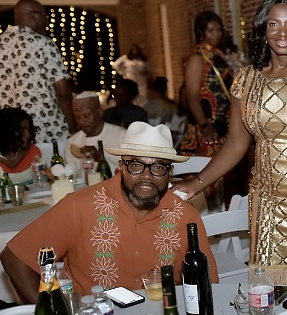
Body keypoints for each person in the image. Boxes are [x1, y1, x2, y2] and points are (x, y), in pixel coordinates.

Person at [172, 0, 287, 286]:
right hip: (267, 203)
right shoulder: (246, 81)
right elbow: (236, 144)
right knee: (270, 291)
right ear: (263, 29)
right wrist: (196, 183)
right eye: (273, 24)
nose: (282, 32)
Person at [0, 122, 219, 301]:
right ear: (121, 167)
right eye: (136, 165)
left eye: (158, 167)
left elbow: (208, 285)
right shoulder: (80, 206)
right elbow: (15, 258)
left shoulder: (185, 216)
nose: (147, 176)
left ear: (170, 172)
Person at [0, 0, 76, 142]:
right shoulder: (44, 44)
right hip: (46, 133)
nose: (47, 22)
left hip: (6, 135)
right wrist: (72, 126)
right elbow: (63, 92)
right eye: (45, 16)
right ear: (32, 15)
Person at [178, 11, 234, 157]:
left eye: (218, 30)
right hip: (208, 124)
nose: (216, 34)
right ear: (201, 33)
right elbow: (191, 96)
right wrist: (204, 125)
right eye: (211, 30)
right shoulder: (197, 58)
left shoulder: (218, 54)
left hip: (224, 123)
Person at [64, 91, 126, 175]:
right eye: (77, 117)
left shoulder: (121, 135)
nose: (82, 121)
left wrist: (99, 158)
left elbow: (128, 172)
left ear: (100, 112)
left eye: (86, 116)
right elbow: (71, 175)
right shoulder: (73, 142)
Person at [0, 107, 42, 184]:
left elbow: (43, 182)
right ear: (6, 132)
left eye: (28, 130)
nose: (28, 135)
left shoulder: (33, 151)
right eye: (22, 130)